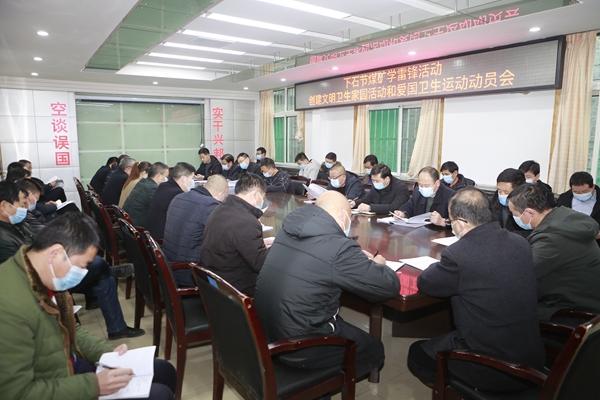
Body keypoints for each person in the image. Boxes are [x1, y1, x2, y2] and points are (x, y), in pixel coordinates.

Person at [0, 212, 177, 400]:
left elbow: (70, 329)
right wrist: (94, 386)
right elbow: (16, 393)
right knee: (160, 394)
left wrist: (106, 352)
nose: (83, 272)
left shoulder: (45, 277)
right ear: (55, 253)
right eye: (82, 265)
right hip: (58, 384)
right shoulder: (10, 306)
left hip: (69, 366)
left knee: (163, 370)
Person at [408, 187, 544, 391]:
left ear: (461, 223)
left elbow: (426, 283)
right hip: (531, 356)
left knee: (417, 353)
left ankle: (456, 390)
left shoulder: (458, 254)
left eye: (451, 221)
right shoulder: (520, 242)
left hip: (493, 366)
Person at [255, 191, 400, 380]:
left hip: (267, 333)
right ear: (342, 215)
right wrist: (379, 263)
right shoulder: (338, 248)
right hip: (300, 347)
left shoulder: (288, 230)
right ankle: (324, 383)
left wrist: (354, 259)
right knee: (374, 348)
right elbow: (388, 286)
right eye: (350, 217)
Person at [0, 181, 142, 340]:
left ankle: (117, 329)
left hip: (48, 267)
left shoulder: (15, 224)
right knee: (95, 264)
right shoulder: (4, 239)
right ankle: (110, 270)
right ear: (4, 205)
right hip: (42, 281)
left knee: (104, 281)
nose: (25, 207)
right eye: (22, 203)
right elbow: (26, 271)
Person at [507, 184, 600, 319]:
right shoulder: (564, 218)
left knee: (504, 309)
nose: (513, 217)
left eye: (514, 214)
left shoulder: (550, 240)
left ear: (529, 212)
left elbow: (520, 273)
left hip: (572, 308)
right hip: (587, 297)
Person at [201, 173, 273, 296]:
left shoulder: (220, 209)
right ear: (256, 195)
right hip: (236, 289)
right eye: (263, 197)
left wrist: (260, 244)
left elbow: (236, 243)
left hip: (216, 281)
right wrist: (278, 247)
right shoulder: (246, 221)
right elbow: (260, 264)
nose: (263, 201)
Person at [163, 175, 229, 287]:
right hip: (188, 273)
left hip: (169, 266)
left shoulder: (179, 197)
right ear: (221, 194)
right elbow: (225, 235)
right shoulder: (209, 205)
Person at [145, 162, 196, 240]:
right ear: (183, 179)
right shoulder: (178, 194)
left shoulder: (163, 186)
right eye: (192, 178)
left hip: (152, 234)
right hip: (161, 239)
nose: (193, 181)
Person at [556, 171, 600, 245]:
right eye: (576, 192)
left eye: (585, 191)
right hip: (569, 242)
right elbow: (558, 219)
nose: (581, 194)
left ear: (593, 186)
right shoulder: (564, 199)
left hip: (596, 244)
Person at [123, 162, 169, 227]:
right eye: (166, 176)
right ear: (158, 176)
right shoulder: (152, 188)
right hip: (136, 226)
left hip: (128, 223)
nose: (166, 179)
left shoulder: (143, 182)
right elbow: (162, 209)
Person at [491, 168, 528, 236]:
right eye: (499, 191)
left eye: (506, 192)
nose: (502, 195)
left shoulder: (529, 207)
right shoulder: (491, 203)